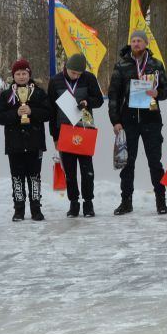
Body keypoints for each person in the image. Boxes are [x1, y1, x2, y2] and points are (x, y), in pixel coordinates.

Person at [108, 30, 167, 215]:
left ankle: (161, 201)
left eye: (139, 41)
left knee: (155, 162)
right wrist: (115, 121)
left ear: (145, 43)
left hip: (151, 119)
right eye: (133, 41)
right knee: (128, 163)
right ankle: (126, 202)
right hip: (128, 121)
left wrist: (158, 93)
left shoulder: (156, 64)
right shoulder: (121, 65)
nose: (136, 43)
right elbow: (114, 95)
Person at [0, 58, 52, 221]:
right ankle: (18, 210)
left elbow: (48, 113)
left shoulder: (39, 92)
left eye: (24, 73)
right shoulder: (6, 95)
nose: (21, 76)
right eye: (18, 74)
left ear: (29, 74)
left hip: (35, 143)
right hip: (15, 144)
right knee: (17, 178)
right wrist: (15, 114)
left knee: (34, 177)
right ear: (13, 76)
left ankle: (36, 209)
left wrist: (32, 111)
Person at [49, 52, 104, 217]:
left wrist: (87, 101)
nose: (76, 76)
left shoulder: (89, 78)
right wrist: (55, 137)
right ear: (66, 67)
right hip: (64, 130)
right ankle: (74, 203)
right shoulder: (55, 81)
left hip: (84, 128)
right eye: (73, 73)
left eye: (79, 74)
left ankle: (88, 203)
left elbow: (99, 100)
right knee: (70, 172)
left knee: (87, 170)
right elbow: (51, 111)